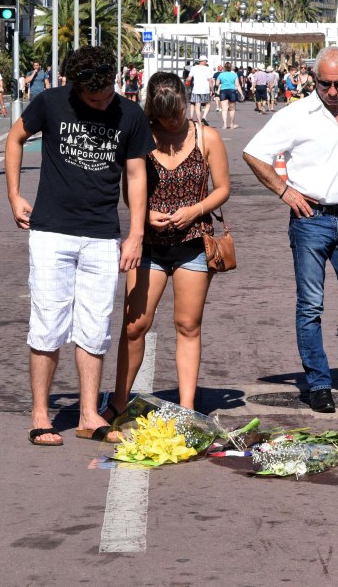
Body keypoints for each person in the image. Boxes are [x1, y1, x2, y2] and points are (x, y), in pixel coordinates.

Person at [4, 46, 155, 446]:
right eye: (93, 98)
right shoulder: (51, 103)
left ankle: (89, 414)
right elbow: (15, 138)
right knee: (48, 322)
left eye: (106, 94)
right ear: (75, 87)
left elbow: (137, 175)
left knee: (94, 327)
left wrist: (136, 234)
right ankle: (41, 415)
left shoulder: (130, 114)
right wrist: (14, 194)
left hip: (103, 235)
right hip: (52, 231)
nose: (102, 102)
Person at [243, 46, 338, 413]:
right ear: (314, 79)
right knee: (310, 305)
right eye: (326, 84)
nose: (334, 91)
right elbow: (254, 153)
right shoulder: (296, 114)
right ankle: (319, 383)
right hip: (310, 220)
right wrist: (285, 191)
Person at [108, 72, 231, 420]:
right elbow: (129, 188)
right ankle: (119, 400)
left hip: (193, 242)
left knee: (187, 325)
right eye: (164, 117)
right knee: (135, 325)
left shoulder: (206, 136)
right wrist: (145, 216)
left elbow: (222, 188)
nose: (172, 122)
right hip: (149, 245)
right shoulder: (141, 136)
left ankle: (188, 407)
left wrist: (195, 209)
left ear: (184, 101)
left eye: (175, 113)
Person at [186, 56, 214, 125]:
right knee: (208, 104)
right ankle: (204, 117)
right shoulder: (207, 69)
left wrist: (186, 80)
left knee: (197, 106)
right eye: (206, 61)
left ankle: (199, 121)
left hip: (196, 90)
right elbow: (210, 80)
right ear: (204, 61)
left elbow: (189, 78)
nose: (206, 62)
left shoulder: (194, 68)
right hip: (205, 90)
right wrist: (212, 90)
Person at [216, 62, 243, 129]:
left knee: (224, 109)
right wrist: (241, 94)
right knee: (232, 109)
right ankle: (231, 124)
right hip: (232, 91)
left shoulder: (221, 74)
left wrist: (221, 84)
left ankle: (225, 124)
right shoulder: (234, 75)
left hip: (223, 91)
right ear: (231, 67)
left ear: (224, 67)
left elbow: (217, 84)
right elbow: (237, 85)